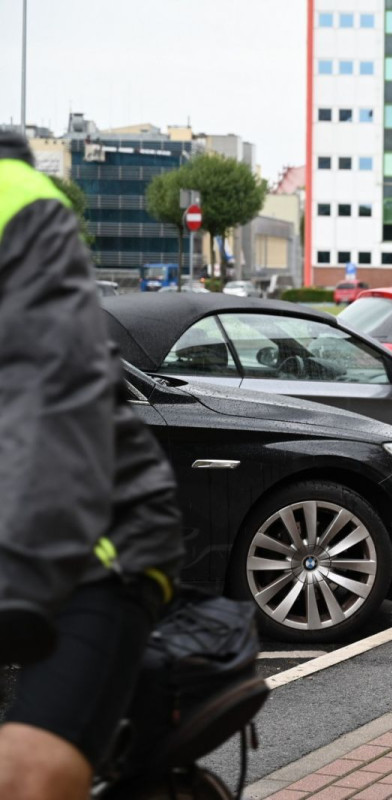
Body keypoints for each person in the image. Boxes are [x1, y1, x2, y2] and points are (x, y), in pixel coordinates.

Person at [0, 131, 184, 800]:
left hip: (93, 544)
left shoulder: (16, 201)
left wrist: (17, 579)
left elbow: (52, 389)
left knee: (26, 778)